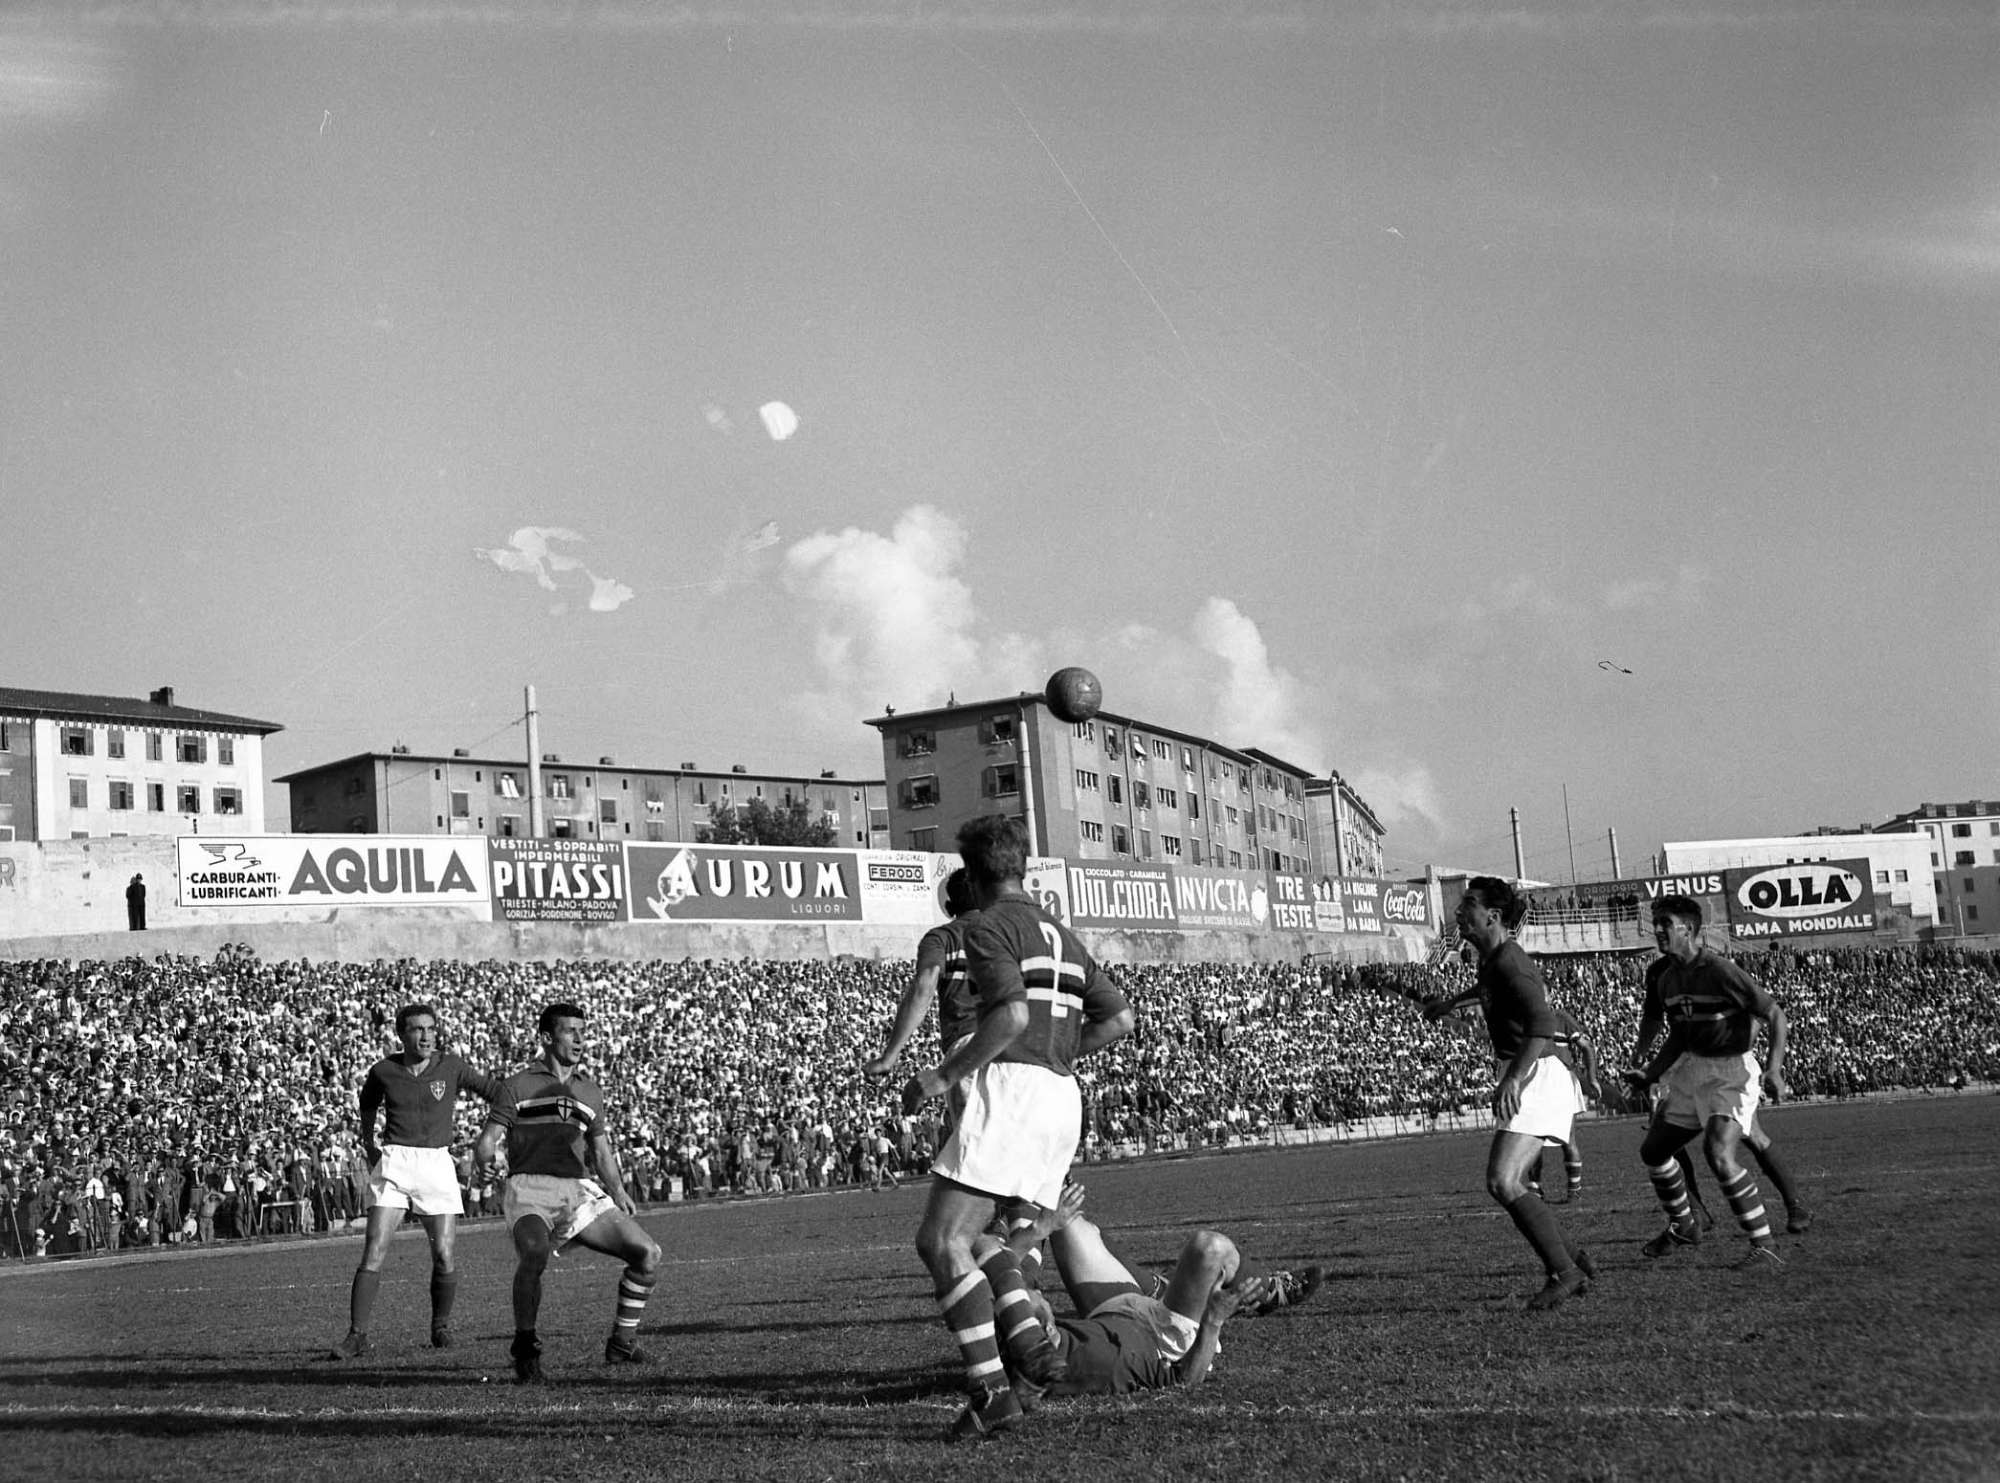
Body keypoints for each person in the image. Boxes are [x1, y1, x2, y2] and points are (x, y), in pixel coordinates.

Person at [900, 814, 1136, 1442]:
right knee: (993, 1235)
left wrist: (943, 1076)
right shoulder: (1062, 934)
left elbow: (1008, 1017)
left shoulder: (984, 925)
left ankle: (997, 1383)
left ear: (974, 875)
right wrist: (1055, 1053)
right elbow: (1120, 1021)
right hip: (1061, 1095)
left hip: (1012, 1091)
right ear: (1022, 869)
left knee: (942, 1240)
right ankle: (1023, 1342)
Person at [981, 1182, 1320, 1405]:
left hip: (1110, 1312)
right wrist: (1214, 1320)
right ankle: (1268, 1291)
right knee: (1210, 1248)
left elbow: (1003, 1269)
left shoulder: (1019, 1340)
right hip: (1163, 1334)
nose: (1041, 1299)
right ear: (1045, 1330)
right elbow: (1184, 1381)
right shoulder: (1105, 1366)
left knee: (1059, 1213)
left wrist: (1042, 1227)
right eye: (1036, 1301)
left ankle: (1160, 1287)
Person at [1426, 876, 1595, 1311]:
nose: (1459, 912)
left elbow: (1542, 1023)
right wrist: (1451, 1003)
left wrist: (1514, 1079)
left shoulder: (1510, 962)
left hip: (1538, 1071)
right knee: (1513, 1182)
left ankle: (1565, 1273)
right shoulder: (1492, 960)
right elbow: (1488, 990)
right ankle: (1573, 1261)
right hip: (1529, 1068)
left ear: (1493, 916)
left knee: (1503, 1181)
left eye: (1468, 904)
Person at [473, 1002, 662, 1384]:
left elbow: (601, 1152)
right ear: (546, 1037)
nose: (579, 1039)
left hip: (577, 1191)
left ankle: (622, 1342)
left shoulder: (590, 1092)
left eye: (582, 1031)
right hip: (529, 1190)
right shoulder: (517, 1086)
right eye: (569, 1031)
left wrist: (618, 1190)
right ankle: (525, 1348)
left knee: (648, 1254)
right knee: (534, 1254)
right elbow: (488, 1139)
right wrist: (485, 1159)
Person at [1624, 894, 1792, 1269]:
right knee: (1653, 1151)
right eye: (1656, 923)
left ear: (1689, 930)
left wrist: (1774, 1068)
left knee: (1718, 1153)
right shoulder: (1667, 978)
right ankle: (1684, 1224)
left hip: (1731, 1072)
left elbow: (1775, 1014)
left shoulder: (1720, 970)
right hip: (1694, 1070)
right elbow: (1679, 1036)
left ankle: (1764, 1246)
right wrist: (1650, 1072)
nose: (1658, 930)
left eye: (1666, 923)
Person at [329, 1004, 504, 1359]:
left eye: (431, 1028)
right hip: (396, 1161)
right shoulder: (383, 1070)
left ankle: (440, 1327)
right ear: (401, 1034)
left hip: (436, 1162)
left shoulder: (451, 1066)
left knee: (444, 1254)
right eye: (417, 1029)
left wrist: (490, 1141)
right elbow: (367, 1103)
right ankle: (357, 1335)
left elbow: (498, 1094)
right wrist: (368, 1143)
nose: (426, 1036)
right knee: (374, 1249)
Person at [864, 868, 982, 1124]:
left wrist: (889, 1057)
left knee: (973, 1143)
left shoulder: (943, 938)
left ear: (949, 907)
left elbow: (924, 986)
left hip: (968, 1049)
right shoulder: (1011, 935)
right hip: (1015, 1048)